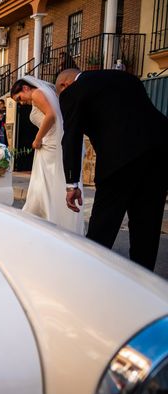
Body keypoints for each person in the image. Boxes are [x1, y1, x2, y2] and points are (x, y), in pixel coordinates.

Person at [56, 68, 168, 270]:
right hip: (159, 151)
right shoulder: (126, 77)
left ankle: (91, 272)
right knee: (147, 223)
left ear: (64, 85)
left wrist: (72, 183)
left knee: (104, 223)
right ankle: (143, 278)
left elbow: (71, 136)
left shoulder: (74, 90)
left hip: (120, 159)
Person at [10, 76, 84, 234]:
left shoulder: (37, 93)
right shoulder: (41, 94)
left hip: (49, 144)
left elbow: (51, 115)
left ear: (25, 88)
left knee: (45, 183)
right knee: (48, 183)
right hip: (50, 143)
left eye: (19, 98)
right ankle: (49, 218)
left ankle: (45, 219)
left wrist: (37, 139)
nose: (21, 103)